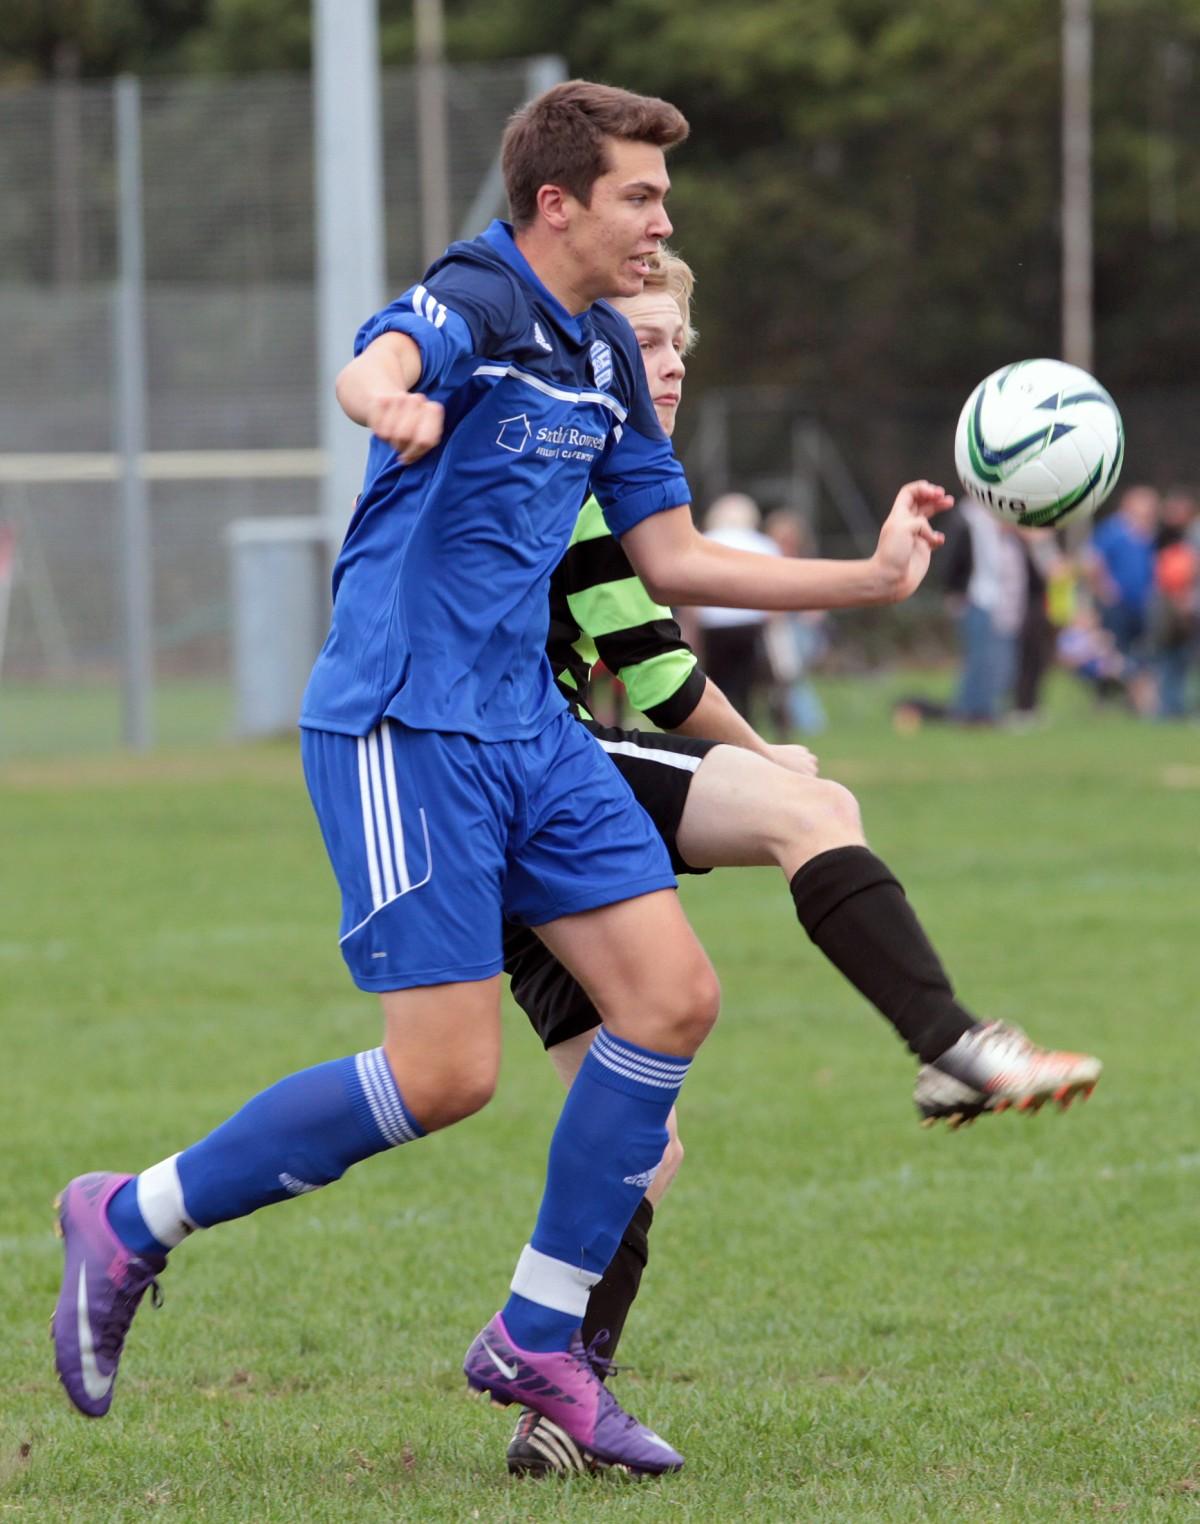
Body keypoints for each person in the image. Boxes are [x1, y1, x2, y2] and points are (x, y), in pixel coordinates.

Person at [50, 80, 957, 1476]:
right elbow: (384, 360)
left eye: (664, 195)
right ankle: (131, 1217)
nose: (663, 220)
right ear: (558, 203)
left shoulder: (603, 353)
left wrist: (872, 577)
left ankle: (541, 1335)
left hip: (528, 728)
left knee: (672, 997)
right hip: (404, 724)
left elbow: (671, 564)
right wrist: (389, 405)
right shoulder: (479, 289)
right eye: (641, 195)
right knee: (446, 1074)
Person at [501, 250, 1105, 1475]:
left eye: (679, 345)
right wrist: (855, 618)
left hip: (513, 806)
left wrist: (765, 750)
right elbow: (661, 668)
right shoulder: (557, 465)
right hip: (521, 774)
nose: (665, 364)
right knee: (811, 815)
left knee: (638, 1145)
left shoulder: (593, 468)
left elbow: (655, 661)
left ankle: (555, 1407)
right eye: (645, 339)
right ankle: (952, 1047)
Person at [693, 493, 779, 719]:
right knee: (747, 684)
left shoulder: (705, 541)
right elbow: (775, 588)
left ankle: (722, 727)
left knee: (718, 682)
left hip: (714, 625)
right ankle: (746, 724)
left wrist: (690, 627)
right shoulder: (762, 544)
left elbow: (692, 589)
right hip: (749, 623)